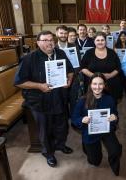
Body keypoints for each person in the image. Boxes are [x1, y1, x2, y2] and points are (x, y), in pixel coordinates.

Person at [14, 31, 74, 167]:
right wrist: (39, 86)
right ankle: (48, 153)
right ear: (38, 42)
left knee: (61, 125)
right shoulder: (29, 58)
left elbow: (70, 71)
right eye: (45, 40)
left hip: (59, 97)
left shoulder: (61, 54)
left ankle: (60, 145)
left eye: (51, 39)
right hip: (39, 100)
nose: (49, 42)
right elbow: (19, 82)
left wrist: (69, 80)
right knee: (45, 129)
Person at [72, 73, 122, 176]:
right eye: (94, 84)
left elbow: (115, 114)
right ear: (90, 85)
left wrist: (115, 117)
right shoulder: (82, 101)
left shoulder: (109, 99)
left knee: (116, 150)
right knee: (95, 161)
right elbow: (74, 119)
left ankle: (114, 166)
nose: (97, 87)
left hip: (106, 129)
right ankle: (86, 147)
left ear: (104, 85)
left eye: (100, 84)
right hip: (90, 132)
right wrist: (82, 120)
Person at [81, 32, 123, 103]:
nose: (100, 42)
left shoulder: (112, 53)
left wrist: (110, 75)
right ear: (94, 42)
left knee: (111, 105)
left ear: (105, 41)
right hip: (93, 86)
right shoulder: (89, 53)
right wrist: (94, 76)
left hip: (111, 86)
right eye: (98, 40)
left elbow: (118, 67)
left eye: (102, 40)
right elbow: (83, 67)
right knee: (93, 105)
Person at [115, 31, 126, 97]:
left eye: (124, 36)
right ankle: (120, 93)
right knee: (119, 79)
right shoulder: (116, 45)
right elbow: (115, 56)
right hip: (118, 64)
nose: (123, 37)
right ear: (119, 37)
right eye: (121, 36)